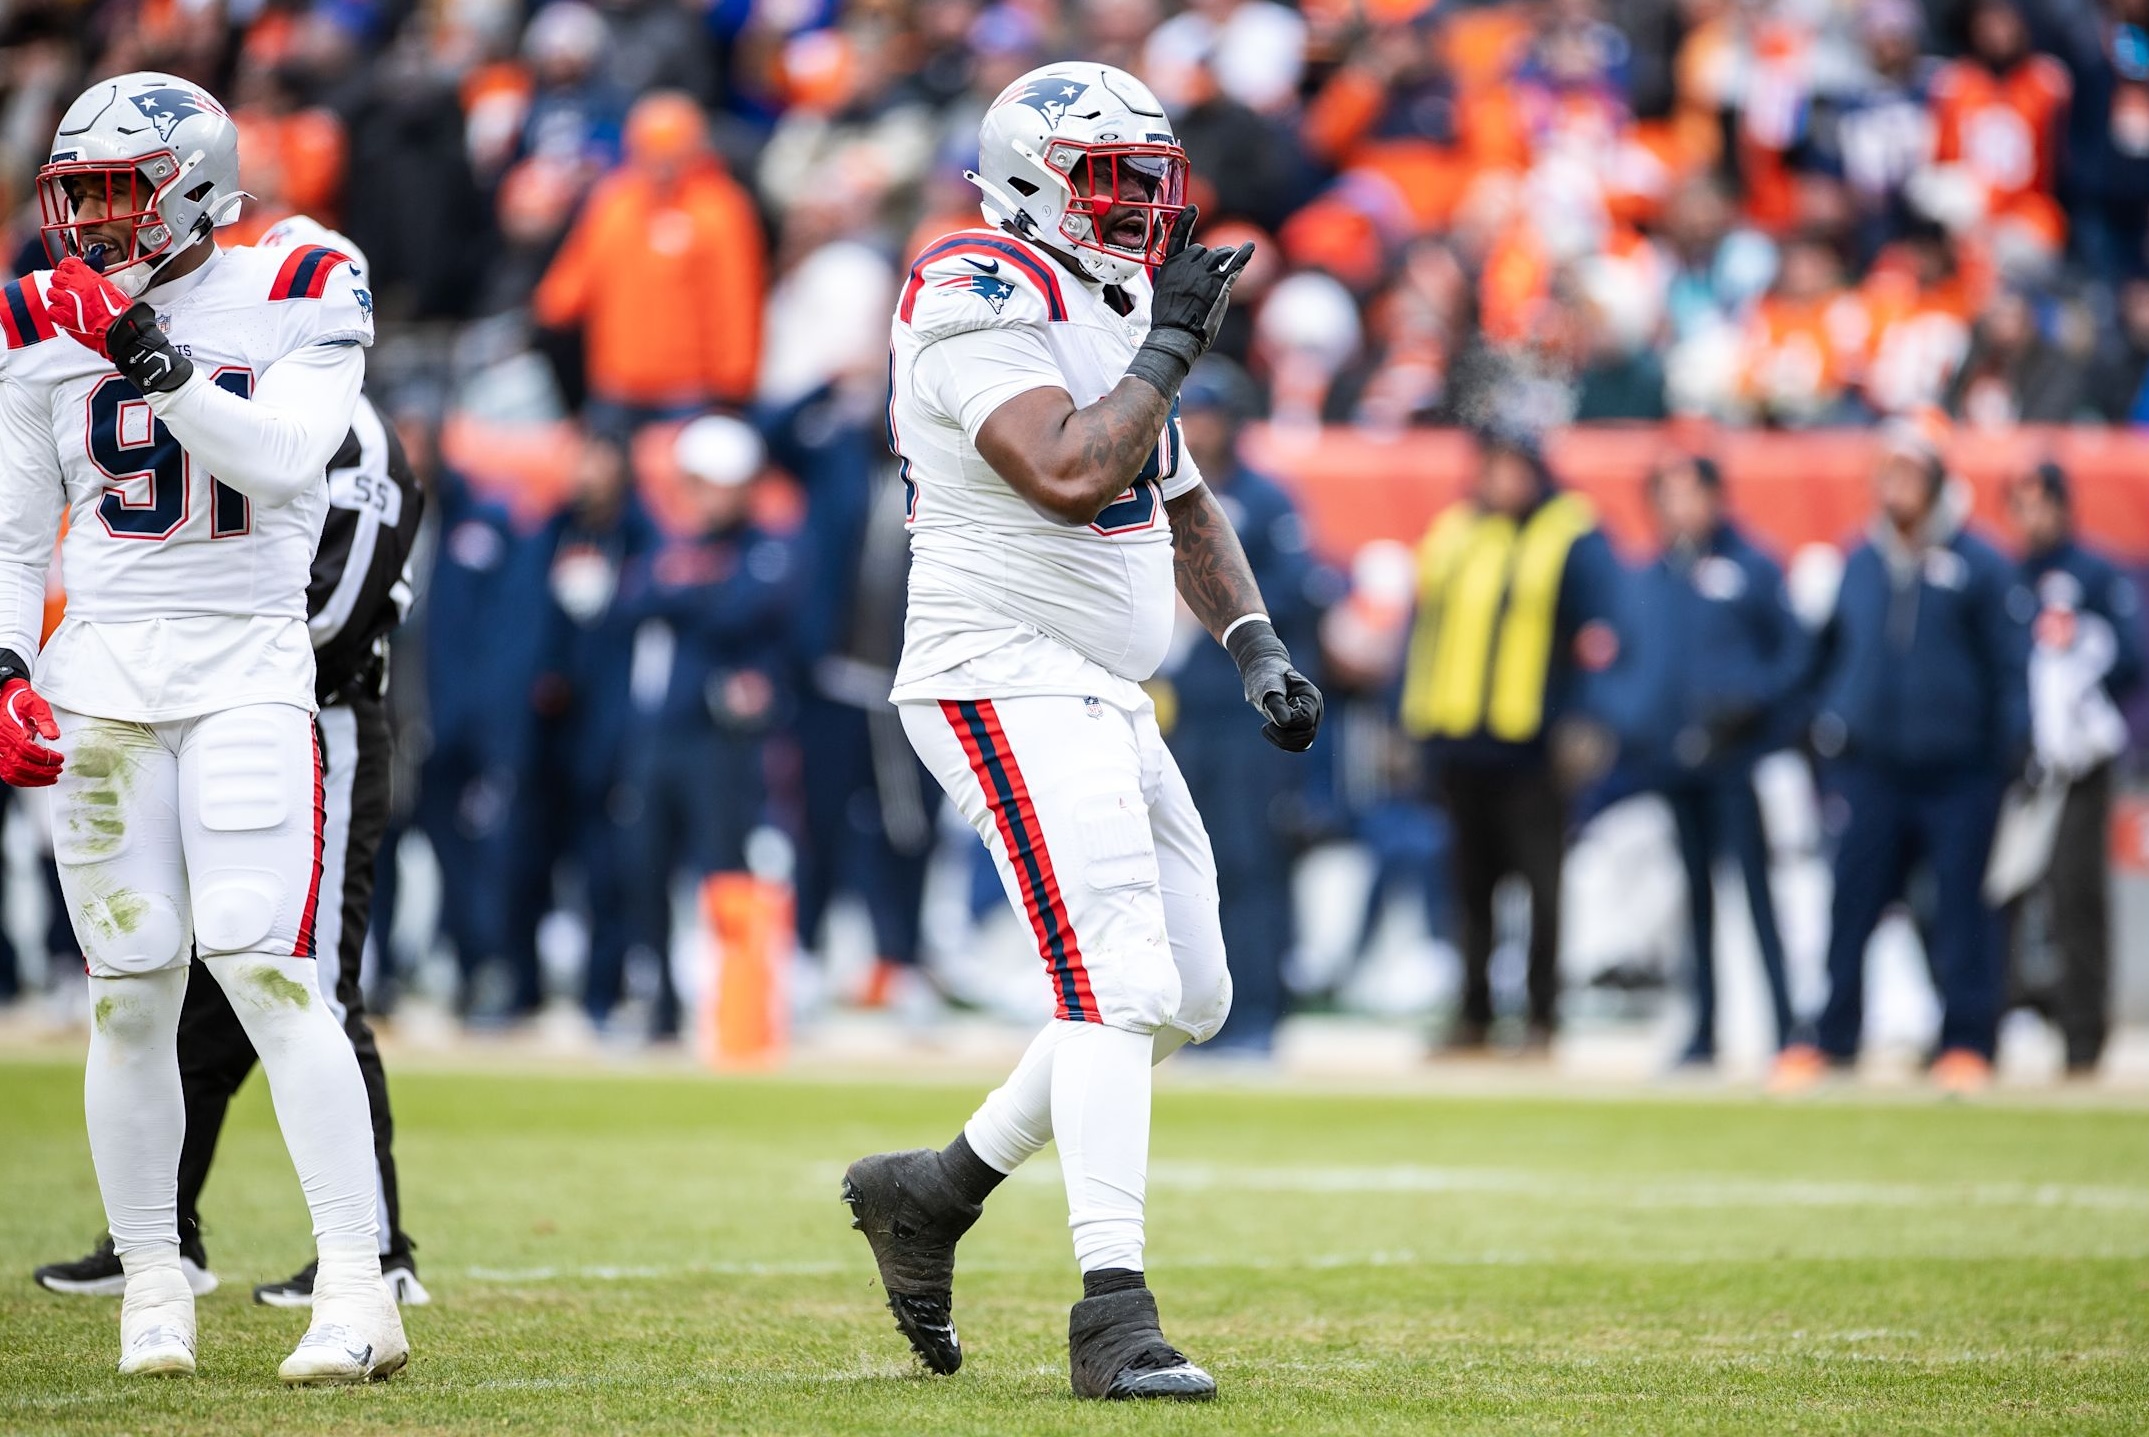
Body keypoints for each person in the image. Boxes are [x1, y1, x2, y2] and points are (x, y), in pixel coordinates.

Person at [840, 62, 1318, 1402]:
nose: (1140, 209)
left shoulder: (1104, 298)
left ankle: (933, 1190)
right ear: (1032, 179)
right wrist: (1167, 345)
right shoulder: (969, 285)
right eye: (1113, 183)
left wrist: (1255, 642)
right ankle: (1114, 1311)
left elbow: (1175, 494)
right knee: (1113, 979)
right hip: (995, 667)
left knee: (1192, 993)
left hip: (1098, 683)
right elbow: (1065, 471)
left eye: (1150, 183)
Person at [0, 73, 406, 1380]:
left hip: (246, 669)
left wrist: (142, 353)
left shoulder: (298, 275)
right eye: (76, 193)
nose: (89, 221)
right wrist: (6, 658)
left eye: (115, 190)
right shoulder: (34, 320)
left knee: (269, 966)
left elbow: (289, 456)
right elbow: (14, 533)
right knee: (126, 993)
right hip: (103, 681)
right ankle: (151, 1285)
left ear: (190, 183)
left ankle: (358, 1286)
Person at [1776, 415, 2029, 1095]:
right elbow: (1824, 657)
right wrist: (1822, 727)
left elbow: (2008, 665)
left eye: (1908, 472)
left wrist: (2010, 746)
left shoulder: (1979, 564)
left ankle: (1966, 1041)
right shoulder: (1858, 560)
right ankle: (1831, 1038)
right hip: (1871, 765)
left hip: (1957, 769)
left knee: (1957, 911)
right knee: (1850, 907)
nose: (1895, 487)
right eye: (1886, 472)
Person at [1397, 424, 1623, 1054]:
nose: (1500, 480)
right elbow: (1421, 633)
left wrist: (1589, 718)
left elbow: (1604, 637)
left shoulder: (1573, 533)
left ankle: (1542, 1016)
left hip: (1534, 746)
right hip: (1460, 740)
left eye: (1511, 467)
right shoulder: (1455, 531)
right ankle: (1473, 1013)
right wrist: (1403, 719)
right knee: (1469, 889)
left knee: (1541, 888)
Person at [1158, 355, 1330, 1054]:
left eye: (1210, 416)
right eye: (1189, 415)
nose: (1199, 429)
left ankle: (1258, 1011)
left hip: (1240, 714)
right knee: (1182, 865)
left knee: (1249, 858)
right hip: (1177, 709)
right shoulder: (1157, 492)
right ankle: (1198, 1013)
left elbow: (1295, 594)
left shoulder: (1263, 500)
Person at [609, 415, 800, 1039]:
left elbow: (743, 609)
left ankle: (736, 1009)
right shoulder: (670, 546)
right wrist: (688, 586)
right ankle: (660, 1008)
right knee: (643, 873)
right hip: (655, 736)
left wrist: (683, 589)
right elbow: (629, 602)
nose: (701, 496)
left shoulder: (765, 547)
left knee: (724, 874)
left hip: (720, 742)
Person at [1622, 455, 1808, 1065]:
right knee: (1694, 902)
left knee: (1756, 894)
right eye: (1667, 495)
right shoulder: (1654, 574)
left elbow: (1794, 657)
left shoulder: (1751, 565)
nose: (1677, 508)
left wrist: (1749, 704)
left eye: (1688, 494)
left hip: (1738, 760)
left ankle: (1786, 1027)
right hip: (1678, 760)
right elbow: (1641, 663)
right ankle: (1705, 1029)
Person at [492, 429, 658, 1034]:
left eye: (601, 458)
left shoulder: (642, 539)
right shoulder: (549, 532)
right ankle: (520, 988)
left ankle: (601, 993)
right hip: (541, 731)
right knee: (525, 862)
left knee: (605, 871)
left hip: (609, 731)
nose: (590, 472)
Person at [2004, 462, 2143, 1074]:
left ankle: (2084, 1032)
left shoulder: (2097, 572)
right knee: (2007, 891)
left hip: (2081, 762)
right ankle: (2012, 1014)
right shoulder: (2006, 576)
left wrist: (2087, 711)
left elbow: (2132, 656)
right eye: (2022, 504)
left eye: (2041, 502)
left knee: (2076, 894)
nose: (2033, 516)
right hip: (2020, 762)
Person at [532, 93, 764, 438]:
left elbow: (737, 298)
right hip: (616, 381)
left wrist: (735, 380)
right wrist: (545, 313)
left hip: (689, 389)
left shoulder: (721, 208)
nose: (661, 163)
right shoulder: (615, 201)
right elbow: (574, 279)